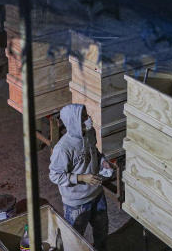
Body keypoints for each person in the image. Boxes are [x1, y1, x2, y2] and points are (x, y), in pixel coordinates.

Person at [49, 103, 110, 250]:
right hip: (77, 202)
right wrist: (81, 178)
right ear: (73, 121)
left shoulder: (90, 133)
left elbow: (94, 152)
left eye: (86, 114)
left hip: (96, 194)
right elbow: (55, 175)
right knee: (74, 239)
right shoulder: (63, 149)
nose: (87, 118)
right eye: (83, 117)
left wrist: (103, 162)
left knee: (102, 230)